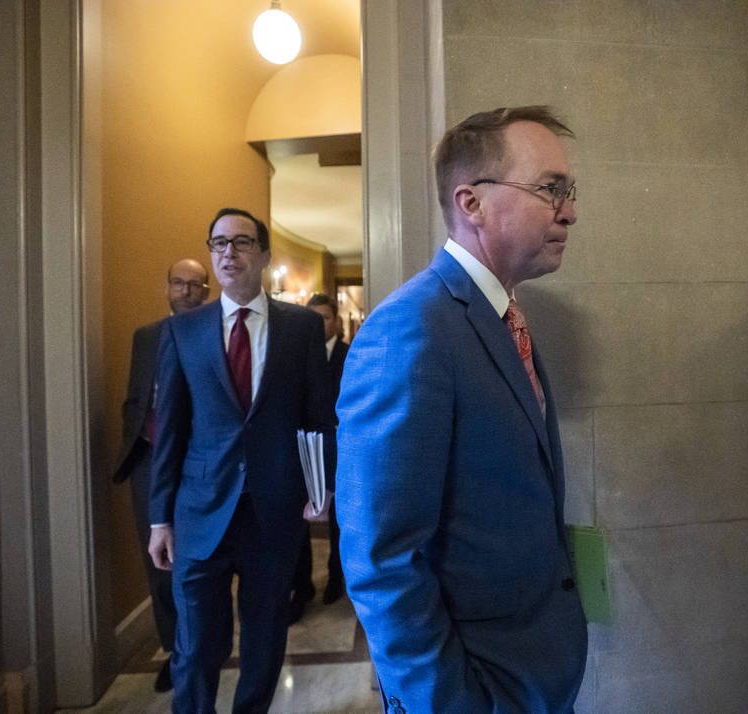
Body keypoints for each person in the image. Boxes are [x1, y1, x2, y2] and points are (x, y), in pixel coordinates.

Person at [336, 106, 589, 713]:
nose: (570, 212)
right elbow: (382, 560)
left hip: (535, 668)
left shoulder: (503, 317)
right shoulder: (410, 330)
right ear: (471, 202)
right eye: (550, 189)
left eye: (569, 191)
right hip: (479, 685)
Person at [147, 208, 335, 713]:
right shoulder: (183, 332)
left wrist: (323, 490)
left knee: (264, 637)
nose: (229, 252)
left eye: (242, 243)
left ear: (264, 255)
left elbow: (317, 417)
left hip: (273, 511)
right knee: (195, 646)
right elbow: (171, 433)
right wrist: (160, 517)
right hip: (200, 511)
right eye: (219, 243)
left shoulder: (299, 329)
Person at [113, 258, 210, 692]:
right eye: (178, 282)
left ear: (206, 291)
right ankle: (176, 651)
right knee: (159, 564)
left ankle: (204, 642)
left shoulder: (218, 334)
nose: (186, 290)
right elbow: (137, 396)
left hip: (200, 462)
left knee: (201, 558)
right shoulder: (146, 337)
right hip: (150, 463)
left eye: (195, 284)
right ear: (166, 288)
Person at [288, 293, 349, 622]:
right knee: (299, 522)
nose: (316, 324)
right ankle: (303, 586)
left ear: (336, 322)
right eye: (310, 317)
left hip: (339, 448)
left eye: (323, 318)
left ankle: (335, 578)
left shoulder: (349, 354)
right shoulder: (291, 357)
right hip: (302, 449)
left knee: (339, 520)